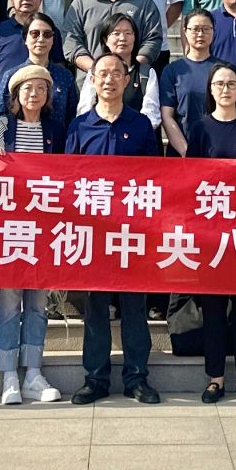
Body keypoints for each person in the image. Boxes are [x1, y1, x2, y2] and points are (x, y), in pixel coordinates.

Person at [65, 53, 165, 405]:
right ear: (92, 80)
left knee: (134, 306)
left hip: (131, 231)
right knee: (96, 307)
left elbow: (154, 179)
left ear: (126, 80)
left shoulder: (141, 125)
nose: (109, 79)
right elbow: (68, 181)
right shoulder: (79, 127)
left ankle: (137, 377)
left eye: (116, 74)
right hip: (93, 233)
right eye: (102, 74)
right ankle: (95, 378)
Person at [0, 65, 70, 405]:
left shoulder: (55, 129)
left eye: (41, 89)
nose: (34, 94)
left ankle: (33, 371)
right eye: (27, 88)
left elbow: (66, 173)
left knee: (37, 301)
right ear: (15, 94)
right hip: (10, 226)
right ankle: (8, 373)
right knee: (9, 301)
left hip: (45, 226)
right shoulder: (1, 127)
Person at [184, 61, 236, 404]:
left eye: (232, 83)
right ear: (210, 89)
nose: (226, 89)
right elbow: (189, 179)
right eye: (219, 84)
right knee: (214, 309)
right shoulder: (200, 128)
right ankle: (215, 378)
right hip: (212, 233)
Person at [77, 14, 162, 128]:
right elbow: (85, 110)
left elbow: (152, 115)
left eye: (128, 33)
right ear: (105, 40)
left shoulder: (146, 73)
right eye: (116, 33)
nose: (122, 38)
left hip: (137, 134)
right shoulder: (95, 72)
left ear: (135, 38)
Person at [160, 8, 221, 155]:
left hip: (217, 150)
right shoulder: (173, 70)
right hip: (181, 150)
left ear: (213, 31)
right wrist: (187, 152)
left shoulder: (223, 70)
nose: (200, 34)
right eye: (195, 29)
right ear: (185, 32)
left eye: (206, 29)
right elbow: (167, 116)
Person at [0, 12, 76, 123]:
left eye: (47, 34)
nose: (41, 39)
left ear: (53, 40)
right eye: (35, 33)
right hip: (18, 133)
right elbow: (1, 117)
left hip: (58, 134)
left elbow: (72, 117)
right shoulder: (11, 75)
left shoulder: (65, 76)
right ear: (25, 39)